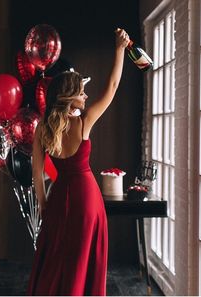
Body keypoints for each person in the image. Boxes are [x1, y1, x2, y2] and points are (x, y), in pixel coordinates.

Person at [27, 28, 130, 296]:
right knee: (83, 261)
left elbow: (37, 174)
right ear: (68, 95)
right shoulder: (83, 123)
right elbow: (113, 86)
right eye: (81, 92)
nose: (85, 96)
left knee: (57, 260)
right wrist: (119, 50)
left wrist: (45, 205)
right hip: (87, 199)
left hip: (59, 198)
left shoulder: (42, 128)